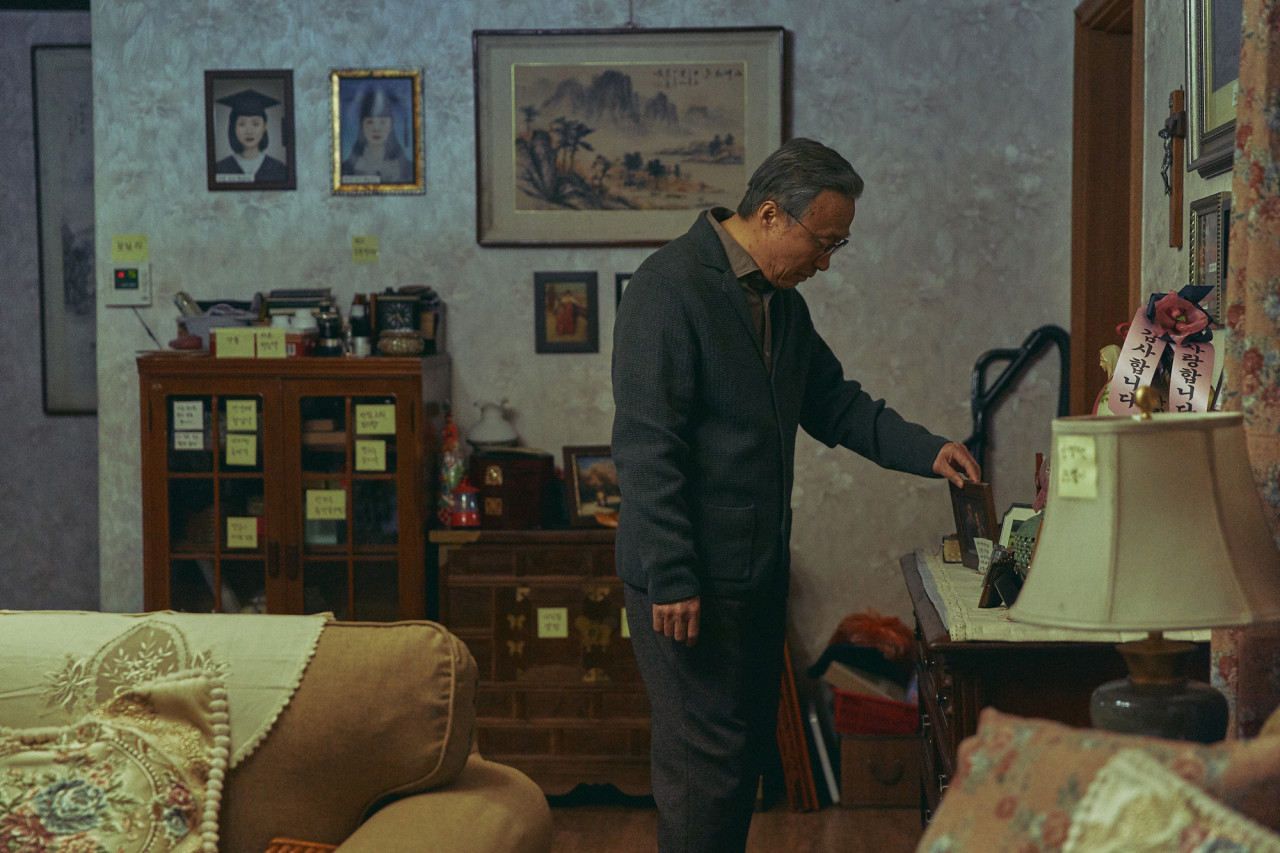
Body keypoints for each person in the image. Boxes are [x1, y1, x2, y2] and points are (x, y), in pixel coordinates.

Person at [611, 137, 980, 852]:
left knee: (738, 762)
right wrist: (673, 575)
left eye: (839, 245)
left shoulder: (782, 306)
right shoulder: (667, 288)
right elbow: (647, 448)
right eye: (824, 241)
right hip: (688, 583)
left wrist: (929, 450)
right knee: (701, 769)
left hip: (753, 576)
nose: (827, 262)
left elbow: (837, 404)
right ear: (772, 214)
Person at [341, 86, 413, 184]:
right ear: (362, 126)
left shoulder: (408, 168)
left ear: (391, 126)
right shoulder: (346, 169)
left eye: (383, 122)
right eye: (370, 122)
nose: (376, 129)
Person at [213, 89, 288, 183]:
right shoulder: (220, 168)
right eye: (242, 124)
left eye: (255, 124)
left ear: (264, 126)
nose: (249, 131)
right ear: (233, 127)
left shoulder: (279, 169)